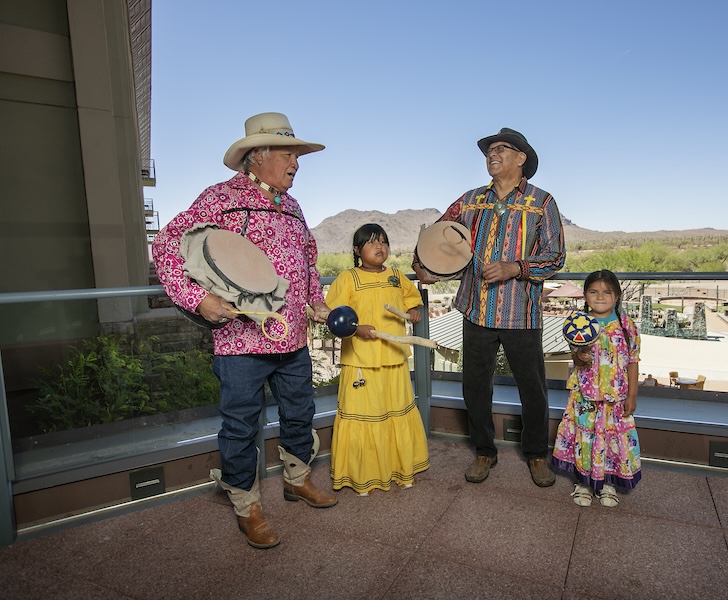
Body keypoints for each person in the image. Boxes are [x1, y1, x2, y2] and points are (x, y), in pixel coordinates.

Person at [152, 112, 337, 549]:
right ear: (258, 156)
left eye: (298, 154)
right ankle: (246, 505)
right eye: (288, 153)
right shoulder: (221, 198)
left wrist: (316, 302)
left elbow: (307, 262)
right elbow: (166, 246)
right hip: (240, 343)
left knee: (299, 412)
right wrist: (198, 299)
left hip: (291, 338)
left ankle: (296, 479)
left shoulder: (293, 206)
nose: (296, 162)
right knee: (239, 425)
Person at [412, 128, 566, 487]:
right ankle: (484, 451)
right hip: (475, 311)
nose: (492, 155)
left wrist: (516, 267)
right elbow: (437, 236)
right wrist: (424, 267)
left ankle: (537, 454)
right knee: (475, 387)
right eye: (489, 150)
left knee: (533, 389)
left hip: (521, 313)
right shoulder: (468, 201)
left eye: (501, 149)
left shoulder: (543, 203)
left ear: (521, 158)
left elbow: (555, 257)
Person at [325, 223, 430, 495]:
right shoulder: (348, 278)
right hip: (361, 360)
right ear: (357, 250)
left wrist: (414, 308)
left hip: (394, 359)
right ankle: (365, 476)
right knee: (365, 417)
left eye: (383, 241)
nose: (379, 246)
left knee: (395, 413)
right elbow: (332, 316)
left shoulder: (396, 275)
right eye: (371, 242)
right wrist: (356, 328)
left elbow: (411, 297)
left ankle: (400, 470)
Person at [552, 270, 642, 508]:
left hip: (615, 398)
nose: (600, 296)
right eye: (593, 291)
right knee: (585, 436)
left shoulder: (627, 326)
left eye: (607, 292)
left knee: (612, 439)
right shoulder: (578, 324)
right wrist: (580, 355)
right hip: (585, 397)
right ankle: (582, 482)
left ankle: (609, 483)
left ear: (617, 296)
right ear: (585, 294)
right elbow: (577, 360)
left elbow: (633, 361)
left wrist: (632, 395)